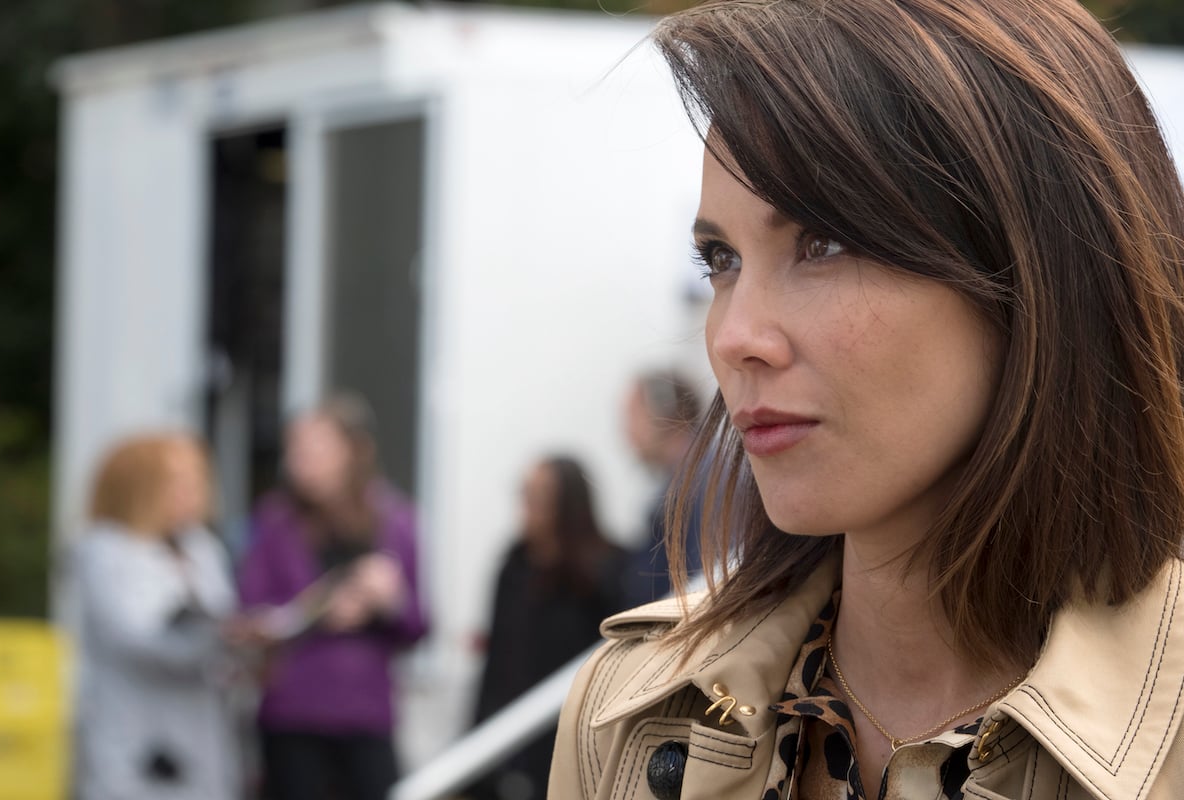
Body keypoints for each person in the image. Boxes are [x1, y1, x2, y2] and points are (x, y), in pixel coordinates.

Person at [550, 1, 1184, 798]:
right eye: (721, 259)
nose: (735, 337)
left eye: (824, 243)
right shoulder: (626, 714)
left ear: (1040, 273)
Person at [237, 393, 425, 800]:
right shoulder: (275, 519)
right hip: (294, 709)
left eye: (315, 448)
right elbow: (251, 612)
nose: (300, 460)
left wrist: (388, 602)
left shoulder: (394, 519)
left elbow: (418, 625)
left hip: (366, 712)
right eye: (294, 449)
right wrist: (317, 607)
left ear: (352, 451)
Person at [72, 432, 241, 800]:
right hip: (136, 731)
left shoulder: (201, 546)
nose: (194, 493)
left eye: (197, 480)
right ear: (140, 487)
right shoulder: (107, 551)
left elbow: (223, 614)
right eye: (179, 481)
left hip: (201, 729)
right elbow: (142, 640)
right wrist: (216, 637)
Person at [469, 456, 627, 800]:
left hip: (577, 738)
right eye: (524, 494)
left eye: (539, 496)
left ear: (567, 504)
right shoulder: (513, 569)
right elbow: (495, 664)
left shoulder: (607, 572)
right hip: (514, 740)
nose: (527, 507)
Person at [620, 369, 704, 605]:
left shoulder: (700, 483)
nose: (627, 431)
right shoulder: (685, 480)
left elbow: (705, 584)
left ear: (663, 411)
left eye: (632, 415)